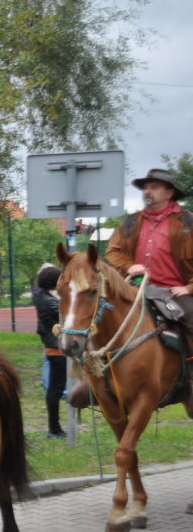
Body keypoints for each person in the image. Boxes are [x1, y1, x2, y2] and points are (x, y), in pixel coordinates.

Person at [76, 167, 193, 409]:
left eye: (154, 187)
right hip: (135, 288)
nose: (147, 191)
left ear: (169, 192)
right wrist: (130, 266)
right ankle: (95, 378)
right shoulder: (131, 222)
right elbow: (113, 251)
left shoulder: (187, 222)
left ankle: (190, 378)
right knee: (99, 314)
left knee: (191, 319)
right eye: (145, 187)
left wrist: (190, 288)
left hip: (174, 290)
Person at [34, 264, 67, 438]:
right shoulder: (49, 301)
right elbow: (66, 315)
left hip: (54, 347)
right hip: (57, 349)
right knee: (56, 390)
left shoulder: (42, 295)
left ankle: (54, 428)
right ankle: (54, 429)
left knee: (55, 389)